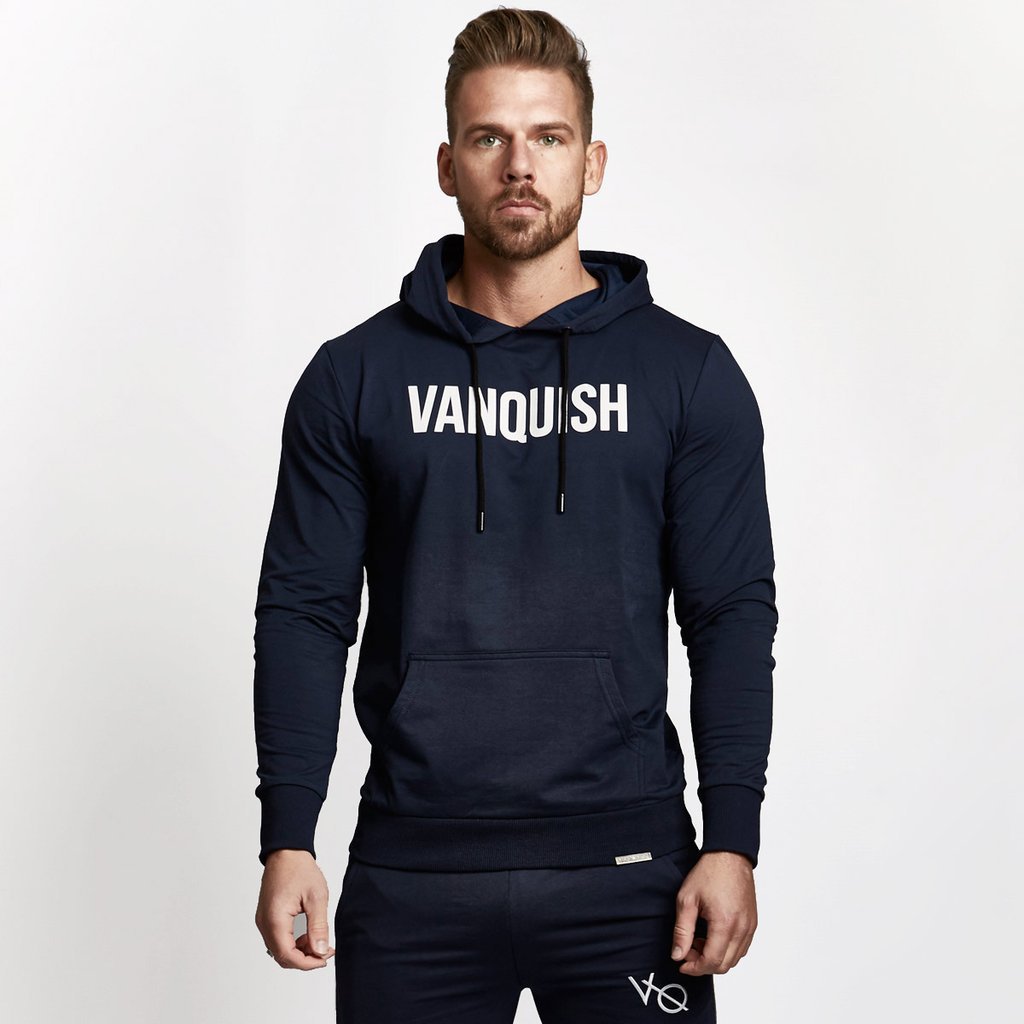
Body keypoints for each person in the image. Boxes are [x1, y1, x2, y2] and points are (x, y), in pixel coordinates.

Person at [252, 8, 778, 1023]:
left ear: (593, 161)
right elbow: (305, 612)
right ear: (448, 165)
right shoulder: (354, 377)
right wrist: (288, 835)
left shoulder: (688, 375)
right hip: (414, 872)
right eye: (490, 137)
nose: (520, 165)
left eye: (549, 136)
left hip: (631, 873)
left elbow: (729, 616)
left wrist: (732, 840)